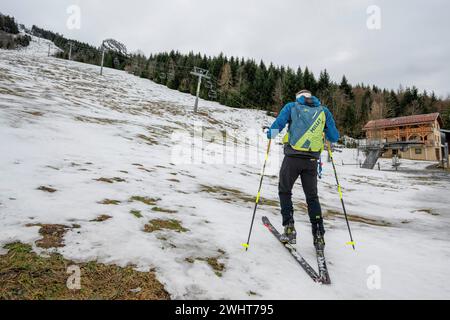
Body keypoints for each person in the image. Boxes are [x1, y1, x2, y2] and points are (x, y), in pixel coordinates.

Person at [267, 90, 340, 248]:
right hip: (312, 160)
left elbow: (278, 125)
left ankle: (289, 228)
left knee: (285, 191)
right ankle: (319, 234)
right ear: (311, 97)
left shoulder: (291, 107)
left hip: (292, 158)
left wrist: (269, 135)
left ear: (298, 98)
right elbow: (334, 137)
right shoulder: (323, 111)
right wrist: (326, 132)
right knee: (312, 197)